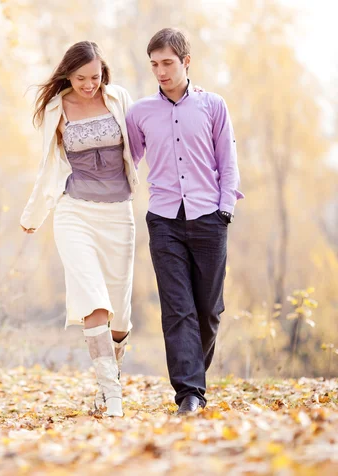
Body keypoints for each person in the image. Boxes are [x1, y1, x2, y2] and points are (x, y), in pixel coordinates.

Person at [125, 28, 244, 415]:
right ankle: (189, 394)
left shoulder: (213, 106)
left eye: (167, 63)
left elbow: (228, 161)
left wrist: (225, 208)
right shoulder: (140, 113)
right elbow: (127, 161)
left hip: (209, 216)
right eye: (154, 64)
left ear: (186, 62)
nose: (160, 71)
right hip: (163, 221)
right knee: (178, 308)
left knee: (209, 310)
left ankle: (194, 379)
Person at [20, 41, 139, 417]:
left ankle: (111, 376)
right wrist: (34, 215)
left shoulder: (119, 98)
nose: (89, 84)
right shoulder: (57, 108)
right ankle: (113, 397)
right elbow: (48, 167)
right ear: (67, 76)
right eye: (81, 78)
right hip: (75, 212)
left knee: (119, 314)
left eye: (95, 76)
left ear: (104, 72)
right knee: (93, 299)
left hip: (119, 213)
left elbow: (146, 139)